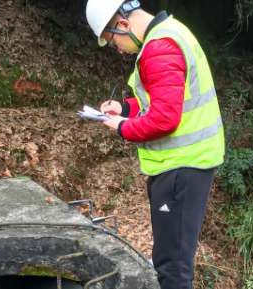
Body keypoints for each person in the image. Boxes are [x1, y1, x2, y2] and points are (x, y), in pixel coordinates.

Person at [85, 1, 225, 288]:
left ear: (123, 25)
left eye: (114, 42)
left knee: (172, 269)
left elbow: (164, 118)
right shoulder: (171, 31)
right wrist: (124, 108)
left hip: (180, 167)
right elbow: (160, 98)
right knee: (169, 257)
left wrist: (122, 127)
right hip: (188, 165)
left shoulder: (158, 48)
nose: (120, 50)